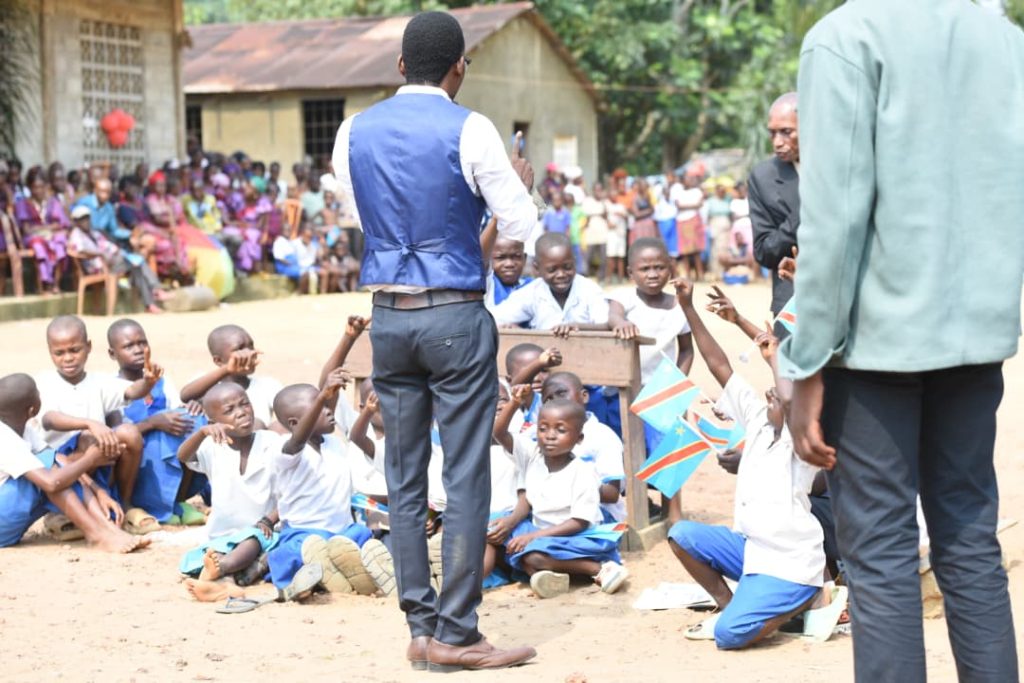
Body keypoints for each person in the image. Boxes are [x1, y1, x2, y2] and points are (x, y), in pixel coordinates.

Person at [782, 3, 1023, 681]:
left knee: (881, 557)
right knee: (970, 543)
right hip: (976, 340)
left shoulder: (844, 37)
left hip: (876, 346)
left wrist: (807, 361)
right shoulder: (1005, 40)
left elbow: (836, 215)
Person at [330, 10, 538, 671]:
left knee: (403, 471)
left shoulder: (352, 129)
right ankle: (458, 629)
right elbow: (520, 224)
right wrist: (517, 188)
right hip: (453, 313)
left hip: (388, 314)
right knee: (467, 471)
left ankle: (420, 627)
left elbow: (357, 214)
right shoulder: (470, 126)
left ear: (399, 67)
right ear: (459, 67)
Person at [670, 279, 831, 650]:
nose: (772, 391)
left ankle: (804, 600)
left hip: (789, 565)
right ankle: (728, 605)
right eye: (771, 389)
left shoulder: (802, 433)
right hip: (753, 550)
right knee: (682, 535)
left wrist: (775, 359)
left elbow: (791, 403)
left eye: (780, 389)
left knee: (729, 637)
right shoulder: (758, 417)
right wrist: (688, 306)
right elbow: (717, 364)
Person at [489, 393, 628, 598]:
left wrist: (531, 537)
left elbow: (579, 523)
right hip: (538, 531)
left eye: (560, 430)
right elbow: (499, 433)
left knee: (533, 556)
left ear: (578, 438)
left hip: (573, 537)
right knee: (494, 530)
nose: (550, 435)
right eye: (543, 428)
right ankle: (547, 577)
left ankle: (597, 568)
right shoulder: (531, 455)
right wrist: (515, 402)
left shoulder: (583, 472)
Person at [34, 315, 159, 533]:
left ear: (88, 346)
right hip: (59, 464)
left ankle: (125, 503)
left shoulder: (99, 382)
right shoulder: (44, 382)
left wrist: (148, 382)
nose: (68, 358)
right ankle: (61, 512)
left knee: (128, 433)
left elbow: (130, 391)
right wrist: (90, 423)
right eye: (59, 353)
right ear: (49, 352)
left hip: (98, 457)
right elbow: (49, 419)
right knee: (87, 437)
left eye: (75, 350)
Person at [0, 373, 147, 553]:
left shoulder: (23, 428)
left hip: (8, 524)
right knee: (50, 471)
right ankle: (96, 535)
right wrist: (90, 458)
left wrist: (98, 491)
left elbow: (61, 461)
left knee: (56, 465)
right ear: (32, 410)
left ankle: (107, 530)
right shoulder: (4, 439)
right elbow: (51, 483)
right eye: (37, 393)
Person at [264, 375, 376, 596]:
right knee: (296, 551)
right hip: (304, 533)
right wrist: (322, 395)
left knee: (363, 535)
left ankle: (327, 575)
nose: (327, 410)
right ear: (295, 423)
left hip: (342, 533)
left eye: (327, 405)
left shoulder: (335, 444)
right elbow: (297, 441)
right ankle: (314, 578)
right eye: (319, 407)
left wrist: (328, 393)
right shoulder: (284, 451)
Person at [177, 383, 280, 600]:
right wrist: (201, 433)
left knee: (253, 543)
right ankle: (225, 582)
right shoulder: (211, 447)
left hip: (265, 530)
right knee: (210, 555)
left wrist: (269, 520)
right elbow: (183, 456)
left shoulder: (271, 443)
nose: (241, 412)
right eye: (229, 410)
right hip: (224, 537)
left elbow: (288, 492)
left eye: (245, 404)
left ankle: (221, 574)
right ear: (214, 422)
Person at [106, 319, 208, 526]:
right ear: (112, 354)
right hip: (136, 462)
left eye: (142, 343)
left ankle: (178, 500)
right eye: (128, 346)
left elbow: (177, 409)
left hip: (166, 451)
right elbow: (116, 434)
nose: (137, 350)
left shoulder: (162, 381)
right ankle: (147, 504)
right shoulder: (111, 388)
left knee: (193, 422)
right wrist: (152, 423)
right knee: (159, 437)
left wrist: (192, 408)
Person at [538, 372, 626, 523]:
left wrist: (567, 483)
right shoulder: (543, 437)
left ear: (584, 396)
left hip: (600, 513)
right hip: (554, 510)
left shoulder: (602, 436)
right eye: (548, 399)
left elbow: (612, 494)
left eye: (561, 393)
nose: (556, 401)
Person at [492, 232, 610, 337]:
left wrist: (577, 327)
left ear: (574, 262)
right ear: (537, 269)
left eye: (567, 267)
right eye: (552, 270)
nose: (561, 274)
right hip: (544, 356)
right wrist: (518, 332)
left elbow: (608, 325)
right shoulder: (532, 292)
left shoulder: (589, 289)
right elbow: (495, 319)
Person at [748, 92, 799, 317]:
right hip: (792, 302)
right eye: (772, 133)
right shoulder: (763, 177)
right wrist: (803, 214)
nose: (778, 142)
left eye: (786, 132)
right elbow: (764, 252)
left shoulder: (842, 167)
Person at [66, 205, 168, 314]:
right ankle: (156, 290)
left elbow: (108, 246)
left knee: (136, 265)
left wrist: (116, 252)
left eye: (87, 218)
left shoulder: (94, 233)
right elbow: (79, 250)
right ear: (76, 221)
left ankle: (150, 304)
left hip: (111, 263)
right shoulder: (76, 235)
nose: (85, 221)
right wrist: (100, 254)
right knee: (137, 262)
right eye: (82, 219)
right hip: (98, 267)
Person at [179, 324, 284, 429]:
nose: (249, 353)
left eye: (251, 346)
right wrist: (226, 369)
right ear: (219, 361)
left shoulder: (267, 385)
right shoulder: (206, 385)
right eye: (240, 349)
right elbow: (185, 396)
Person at [13, 165, 69, 293]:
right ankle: (45, 283)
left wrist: (48, 230)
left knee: (60, 242)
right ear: (29, 187)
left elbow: (61, 224)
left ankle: (56, 282)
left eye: (41, 187)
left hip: (50, 236)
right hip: (33, 238)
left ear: (46, 186)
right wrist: (46, 229)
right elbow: (27, 230)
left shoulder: (53, 202)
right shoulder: (23, 204)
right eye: (34, 187)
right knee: (39, 245)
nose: (38, 191)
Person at [483, 236, 531, 310]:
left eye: (516, 257)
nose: (509, 264)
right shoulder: (488, 284)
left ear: (524, 258)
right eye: (500, 258)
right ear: (489, 259)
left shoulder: (531, 286)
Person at [674, 170, 705, 281]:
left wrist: (686, 206)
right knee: (685, 252)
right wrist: (693, 205)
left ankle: (700, 274)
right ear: (683, 181)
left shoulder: (697, 191)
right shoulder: (678, 192)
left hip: (694, 221)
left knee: (696, 250)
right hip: (682, 222)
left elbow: (700, 204)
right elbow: (678, 206)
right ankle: (687, 275)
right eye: (688, 178)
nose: (690, 180)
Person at [580, 183, 610, 282]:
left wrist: (603, 203)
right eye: (596, 190)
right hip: (591, 231)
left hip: (602, 231)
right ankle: (586, 277)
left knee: (603, 256)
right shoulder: (587, 201)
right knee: (588, 255)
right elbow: (587, 215)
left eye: (600, 190)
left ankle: (601, 277)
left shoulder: (604, 202)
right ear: (593, 190)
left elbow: (606, 215)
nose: (598, 192)